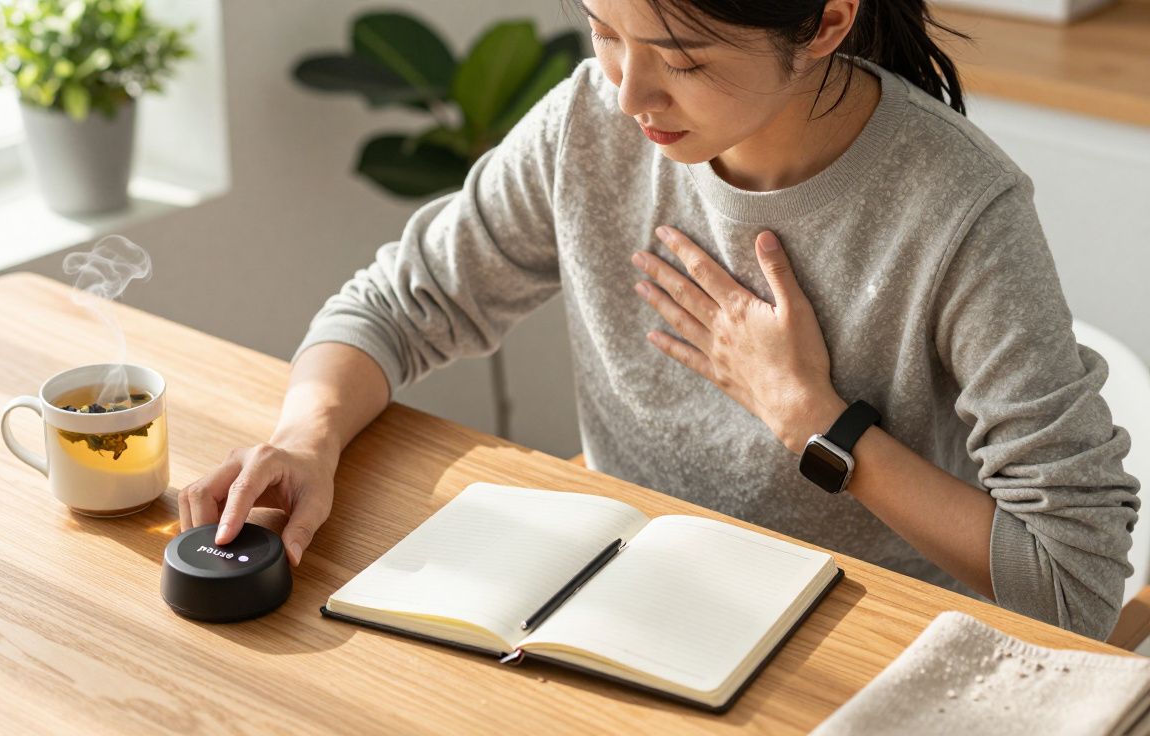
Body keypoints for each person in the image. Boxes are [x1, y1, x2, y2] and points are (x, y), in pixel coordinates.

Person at [178, 0, 1139, 640]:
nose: (628, 93)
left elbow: (1077, 581)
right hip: (622, 608)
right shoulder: (589, 121)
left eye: (681, 58)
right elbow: (397, 303)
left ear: (825, 22)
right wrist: (305, 439)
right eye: (603, 29)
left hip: (863, 643)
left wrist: (817, 422)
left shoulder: (959, 211)